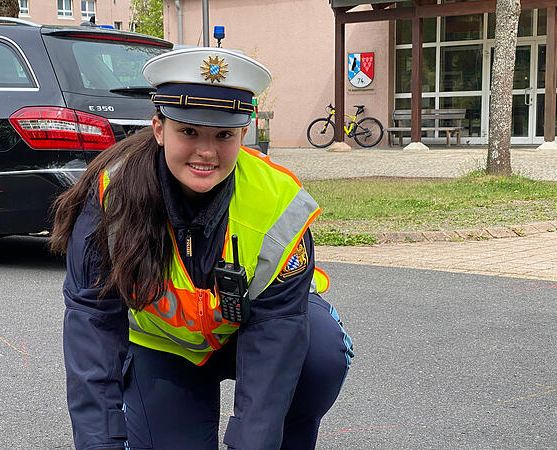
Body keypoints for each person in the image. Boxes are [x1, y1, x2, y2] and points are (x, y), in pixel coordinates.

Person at [50, 47, 354, 450]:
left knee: (319, 355)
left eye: (223, 135)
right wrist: (100, 442)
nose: (206, 152)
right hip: (164, 347)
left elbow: (277, 329)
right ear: (158, 128)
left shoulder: (278, 202)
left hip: (250, 333)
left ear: (243, 134)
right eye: (188, 131)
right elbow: (92, 323)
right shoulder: (111, 198)